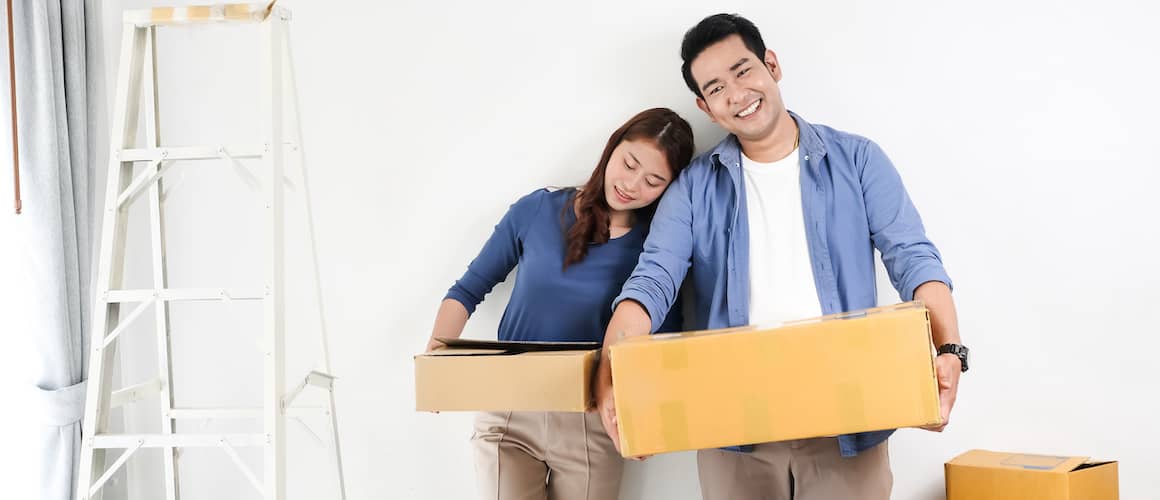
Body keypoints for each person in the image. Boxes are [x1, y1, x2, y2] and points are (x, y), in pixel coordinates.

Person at [593, 14, 969, 500]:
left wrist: (949, 349)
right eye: (716, 87)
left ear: (771, 65)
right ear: (705, 106)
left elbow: (915, 262)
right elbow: (651, 284)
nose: (736, 94)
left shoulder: (858, 160)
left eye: (743, 71)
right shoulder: (692, 189)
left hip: (851, 420)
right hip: (733, 432)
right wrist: (610, 378)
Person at [425, 108, 694, 500]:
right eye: (629, 163)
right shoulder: (537, 209)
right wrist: (435, 362)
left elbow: (660, 345)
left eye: (653, 181)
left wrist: (646, 420)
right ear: (612, 147)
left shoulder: (657, 253)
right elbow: (469, 289)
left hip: (590, 422)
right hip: (509, 412)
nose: (632, 184)